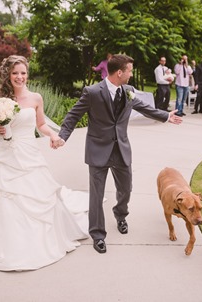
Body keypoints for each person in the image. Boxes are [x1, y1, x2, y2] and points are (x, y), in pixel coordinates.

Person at [53, 54, 182, 254]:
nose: (131, 74)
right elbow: (73, 115)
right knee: (96, 195)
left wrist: (165, 116)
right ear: (120, 72)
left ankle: (120, 214)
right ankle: (98, 234)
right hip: (98, 150)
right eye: (129, 70)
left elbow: (143, 107)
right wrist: (63, 136)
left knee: (126, 189)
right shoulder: (93, 92)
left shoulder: (128, 91)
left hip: (121, 149)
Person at [0, 55, 90, 271]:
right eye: (15, 73)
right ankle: (9, 242)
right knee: (5, 195)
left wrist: (53, 136)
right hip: (6, 154)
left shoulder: (36, 98)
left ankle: (38, 240)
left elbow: (41, 125)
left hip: (29, 153)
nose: (19, 77)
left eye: (23, 73)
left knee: (36, 193)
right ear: (7, 75)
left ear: (27, 74)